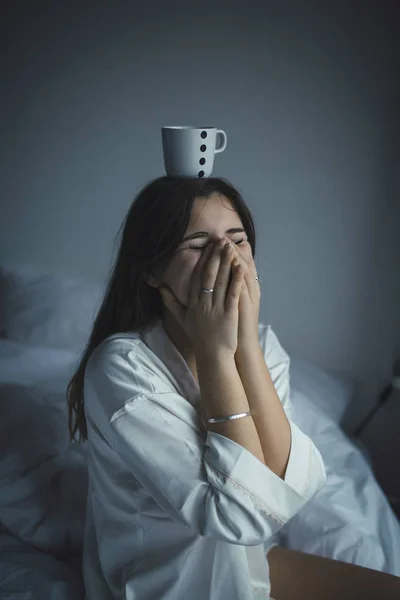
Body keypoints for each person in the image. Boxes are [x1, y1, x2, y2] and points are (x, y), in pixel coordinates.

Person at [67, 176, 400, 600]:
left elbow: (288, 484)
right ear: (152, 269)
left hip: (251, 565)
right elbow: (243, 518)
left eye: (237, 240)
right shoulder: (121, 369)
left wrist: (243, 345)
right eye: (198, 244)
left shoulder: (259, 342)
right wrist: (216, 353)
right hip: (172, 584)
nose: (226, 258)